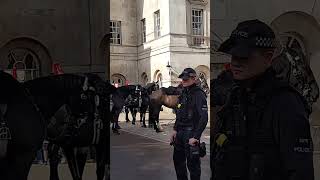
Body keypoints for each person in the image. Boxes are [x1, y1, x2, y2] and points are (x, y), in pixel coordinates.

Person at [211, 19, 314, 180]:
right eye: (233, 55)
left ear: (268, 57)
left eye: (243, 56)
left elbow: (300, 171)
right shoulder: (236, 97)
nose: (235, 63)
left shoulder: (286, 104)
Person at [170, 67, 208, 180]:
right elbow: (179, 114)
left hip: (191, 134)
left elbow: (204, 117)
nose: (183, 81)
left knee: (193, 166)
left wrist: (196, 137)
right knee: (178, 163)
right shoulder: (183, 93)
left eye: (186, 79)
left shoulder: (199, 94)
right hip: (180, 134)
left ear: (194, 78)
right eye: (182, 79)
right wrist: (174, 130)